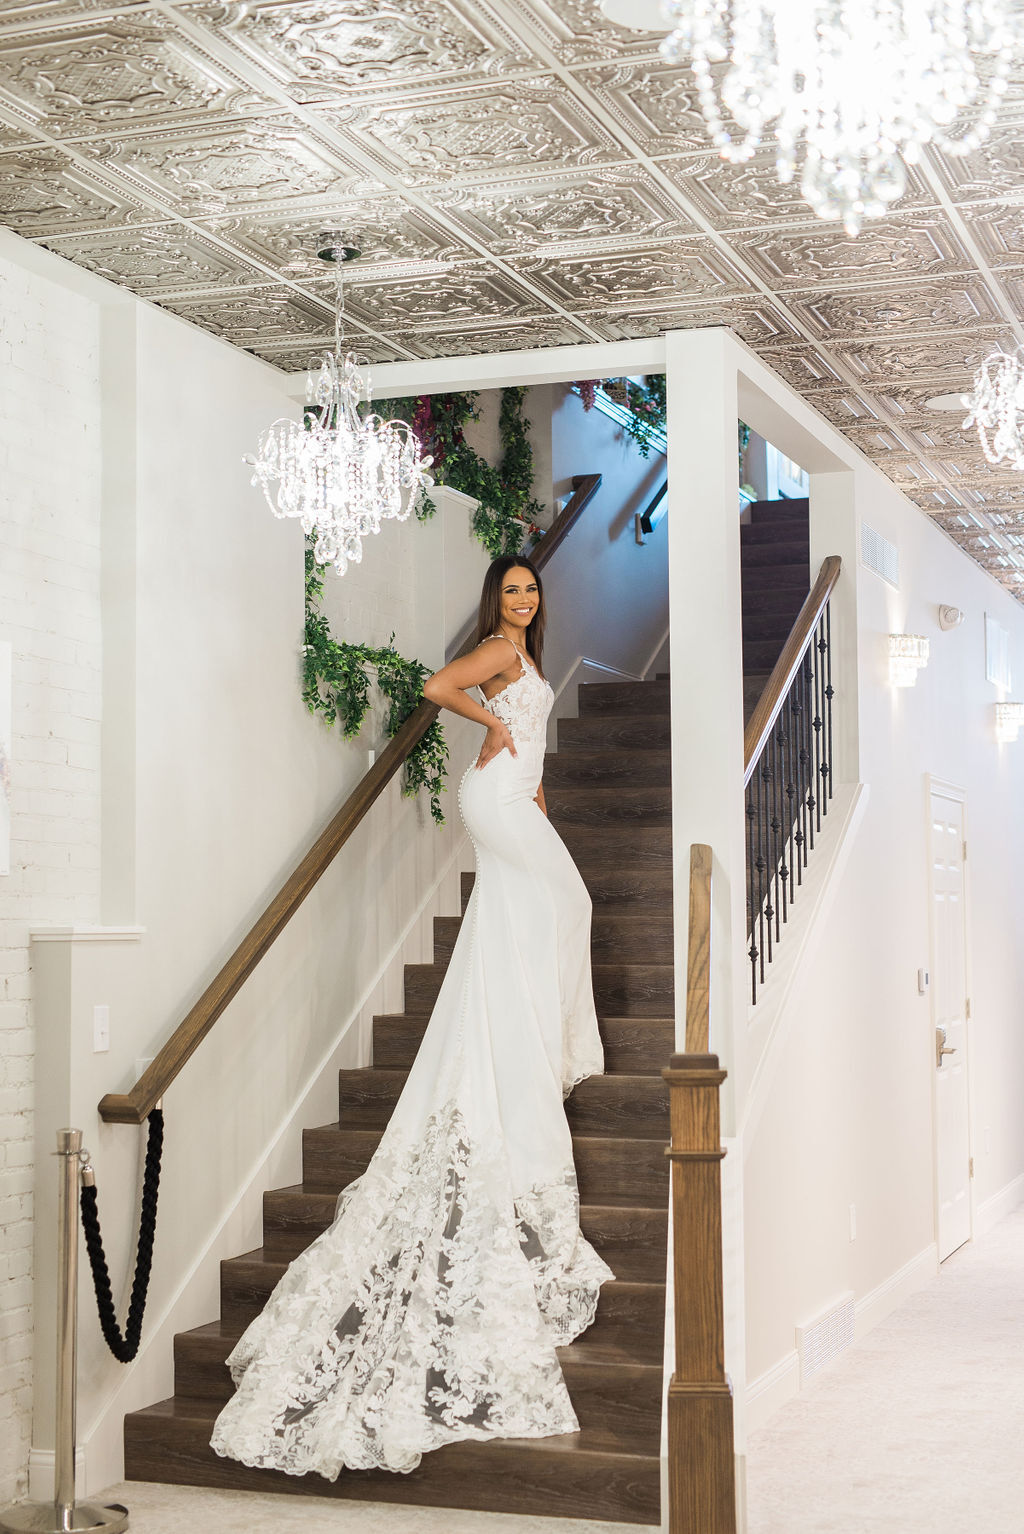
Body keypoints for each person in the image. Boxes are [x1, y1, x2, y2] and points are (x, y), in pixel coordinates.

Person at [210, 555, 610, 1479]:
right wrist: (490, 728)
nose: (522, 600)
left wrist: (530, 773)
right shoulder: (493, 653)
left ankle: (522, 1038)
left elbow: (523, 732)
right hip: (493, 799)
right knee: (568, 903)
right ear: (494, 600)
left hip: (515, 798)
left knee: (544, 909)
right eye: (511, 590)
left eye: (530, 590)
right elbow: (438, 688)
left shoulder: (525, 655)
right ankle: (530, 1044)